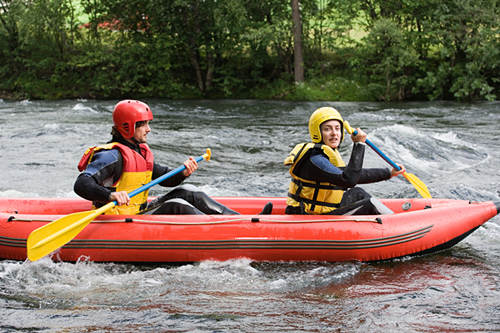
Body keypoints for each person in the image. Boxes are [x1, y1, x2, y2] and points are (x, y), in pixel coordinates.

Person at [74, 99, 272, 215]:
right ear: (128, 126)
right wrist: (110, 195)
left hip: (138, 211)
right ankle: (225, 231)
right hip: (119, 221)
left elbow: (164, 178)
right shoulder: (112, 156)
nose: (149, 129)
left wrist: (183, 172)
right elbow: (81, 184)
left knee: (188, 191)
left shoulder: (139, 152)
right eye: (143, 124)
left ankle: (240, 221)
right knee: (176, 206)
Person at [284, 106, 405, 215]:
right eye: (327, 129)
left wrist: (388, 173)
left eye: (337, 128)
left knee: (358, 193)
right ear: (317, 132)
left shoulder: (325, 155)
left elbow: (355, 175)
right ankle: (398, 226)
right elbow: (349, 180)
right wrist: (359, 145)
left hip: (322, 211)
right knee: (370, 204)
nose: (334, 133)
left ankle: (393, 222)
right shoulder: (315, 159)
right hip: (308, 217)